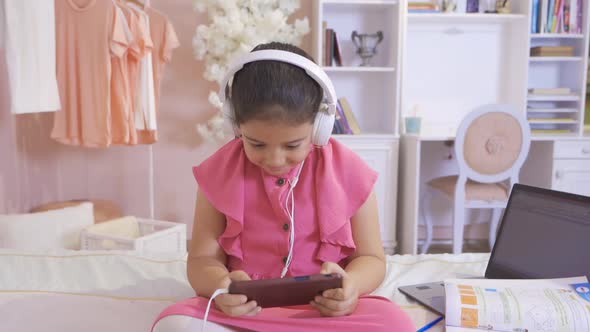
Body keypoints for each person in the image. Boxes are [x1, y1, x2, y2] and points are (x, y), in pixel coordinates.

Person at [152, 42, 415, 332]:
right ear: (236, 125)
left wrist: (351, 286)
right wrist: (221, 285)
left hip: (326, 314)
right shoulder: (219, 173)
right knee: (174, 324)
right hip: (245, 314)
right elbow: (202, 260)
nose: (275, 159)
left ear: (319, 127)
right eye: (256, 143)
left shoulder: (350, 172)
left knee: (397, 324)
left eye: (292, 145)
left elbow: (372, 258)